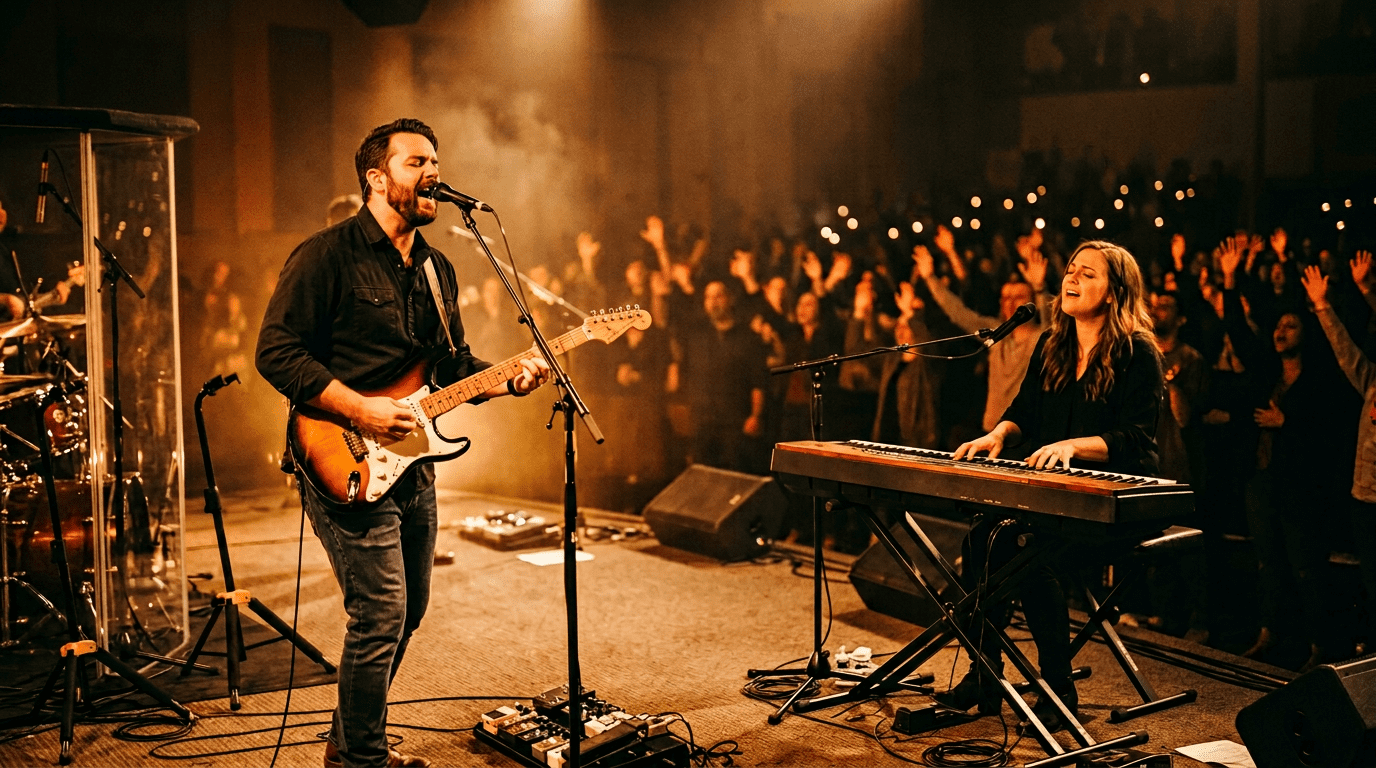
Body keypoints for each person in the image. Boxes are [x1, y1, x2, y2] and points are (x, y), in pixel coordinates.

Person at [255, 118, 550, 768]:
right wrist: (358, 407)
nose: (433, 173)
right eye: (417, 161)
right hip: (341, 457)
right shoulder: (325, 255)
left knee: (409, 609)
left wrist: (510, 380)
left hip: (414, 464)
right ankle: (362, 760)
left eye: (436, 161)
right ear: (376, 177)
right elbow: (274, 352)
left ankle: (347, 740)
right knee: (380, 612)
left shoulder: (439, 270)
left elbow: (450, 366)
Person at [942, 240, 1164, 731]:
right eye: (1070, 270)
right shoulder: (1052, 343)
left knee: (1026, 549)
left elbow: (1136, 437)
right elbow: (1024, 411)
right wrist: (998, 433)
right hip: (1053, 498)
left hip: (1117, 503)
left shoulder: (1139, 350)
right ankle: (985, 675)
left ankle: (1057, 687)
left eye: (1088, 274)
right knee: (980, 539)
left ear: (1114, 292)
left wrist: (1071, 446)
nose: (1072, 278)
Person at [1303, 257, 1376, 658]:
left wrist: (1366, 292)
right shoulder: (1371, 379)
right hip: (1365, 498)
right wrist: (1322, 306)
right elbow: (1345, 351)